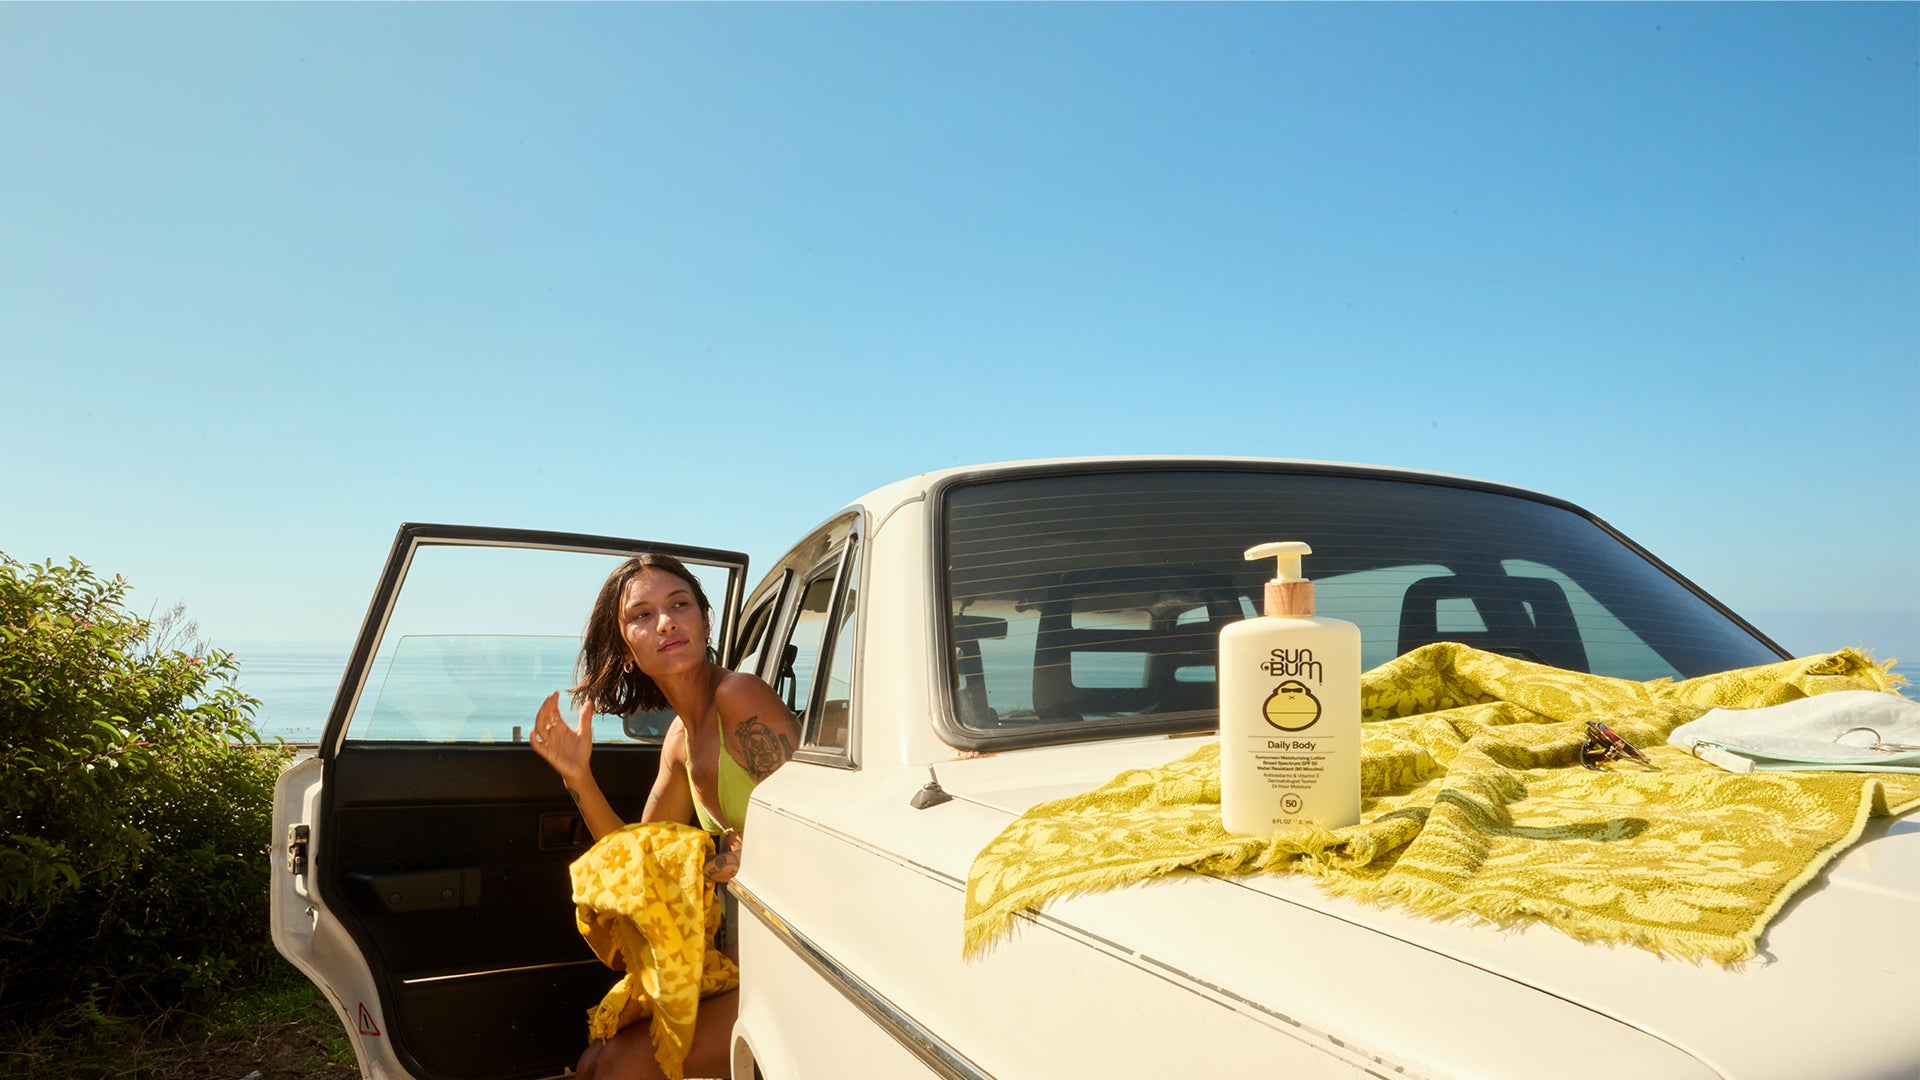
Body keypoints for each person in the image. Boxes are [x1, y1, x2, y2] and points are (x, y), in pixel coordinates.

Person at [530, 552, 798, 1080]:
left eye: (679, 605)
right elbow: (640, 862)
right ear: (626, 648)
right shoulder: (678, 738)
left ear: (704, 621)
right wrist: (578, 777)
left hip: (800, 962)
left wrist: (725, 857)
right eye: (642, 615)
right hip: (742, 958)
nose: (666, 622)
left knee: (618, 1066)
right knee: (594, 1061)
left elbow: (816, 833)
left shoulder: (738, 696)